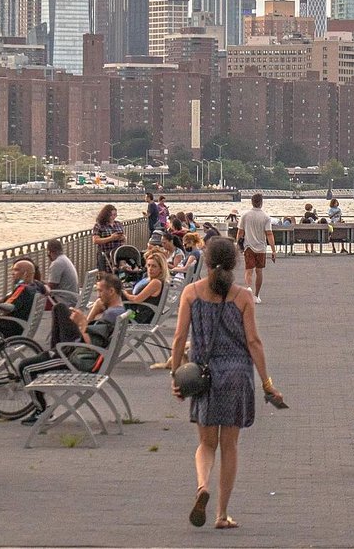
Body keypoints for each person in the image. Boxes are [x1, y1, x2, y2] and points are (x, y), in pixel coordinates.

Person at [170, 237, 283, 530]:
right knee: (230, 446)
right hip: (236, 376)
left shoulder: (191, 293)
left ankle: (202, 486)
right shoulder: (243, 296)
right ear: (235, 264)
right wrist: (267, 382)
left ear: (206, 263)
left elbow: (180, 338)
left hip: (203, 377)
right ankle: (221, 514)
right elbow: (254, 341)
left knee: (206, 444)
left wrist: (176, 376)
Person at [17, 273, 127, 425]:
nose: (98, 295)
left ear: (112, 291)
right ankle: (54, 352)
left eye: (100, 291)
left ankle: (41, 411)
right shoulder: (118, 311)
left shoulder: (110, 315)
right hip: (79, 353)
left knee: (25, 368)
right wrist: (92, 314)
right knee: (59, 309)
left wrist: (82, 322)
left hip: (78, 359)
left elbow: (91, 345)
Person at [0, 259, 37, 337]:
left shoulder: (22, 289)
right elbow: (4, 302)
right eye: (12, 270)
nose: (12, 273)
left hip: (4, 330)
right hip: (15, 327)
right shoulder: (34, 286)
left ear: (26, 274)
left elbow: (5, 308)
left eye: (16, 270)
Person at [237, 193, 276, 304]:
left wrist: (238, 244)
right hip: (261, 247)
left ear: (252, 202)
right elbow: (269, 234)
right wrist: (273, 250)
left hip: (248, 246)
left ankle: (248, 287)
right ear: (261, 202)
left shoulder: (245, 215)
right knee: (259, 271)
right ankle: (256, 295)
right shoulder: (266, 217)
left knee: (248, 270)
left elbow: (240, 232)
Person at [123, 253, 167, 321]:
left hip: (139, 317)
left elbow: (137, 299)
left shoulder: (156, 282)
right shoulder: (153, 280)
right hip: (137, 313)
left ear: (161, 269)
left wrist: (124, 293)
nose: (150, 269)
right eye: (148, 265)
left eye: (154, 266)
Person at [45, 239, 79, 304]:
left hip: (62, 301)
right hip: (72, 298)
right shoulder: (64, 259)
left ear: (50, 252)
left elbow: (51, 287)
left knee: (34, 301)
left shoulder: (57, 263)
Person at [92, 203, 125, 270]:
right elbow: (95, 240)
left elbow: (124, 238)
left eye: (115, 215)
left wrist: (122, 237)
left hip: (117, 254)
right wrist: (111, 238)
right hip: (105, 254)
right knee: (105, 274)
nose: (113, 217)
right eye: (111, 215)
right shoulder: (99, 225)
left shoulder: (118, 224)